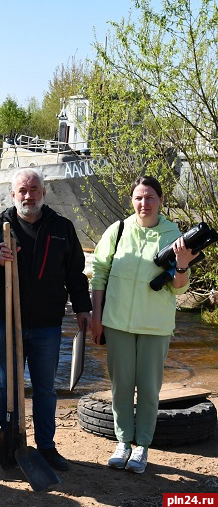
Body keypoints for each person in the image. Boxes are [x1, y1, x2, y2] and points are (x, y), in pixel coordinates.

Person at [0, 167, 92, 472]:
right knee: (8, 384)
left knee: (44, 388)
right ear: (13, 195)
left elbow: (75, 274)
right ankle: (9, 441)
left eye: (34, 190)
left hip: (47, 323)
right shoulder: (0, 226)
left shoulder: (61, 228)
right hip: (8, 320)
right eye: (22, 191)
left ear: (43, 193)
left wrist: (83, 309)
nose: (29, 196)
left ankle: (47, 447)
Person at [91, 175, 197, 474]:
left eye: (150, 197)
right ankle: (123, 442)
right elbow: (99, 274)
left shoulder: (174, 235)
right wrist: (97, 317)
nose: (144, 203)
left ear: (161, 201)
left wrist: (183, 264)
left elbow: (178, 289)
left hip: (155, 326)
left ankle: (142, 447)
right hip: (118, 324)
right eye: (139, 197)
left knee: (149, 389)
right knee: (121, 386)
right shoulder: (119, 229)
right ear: (132, 200)